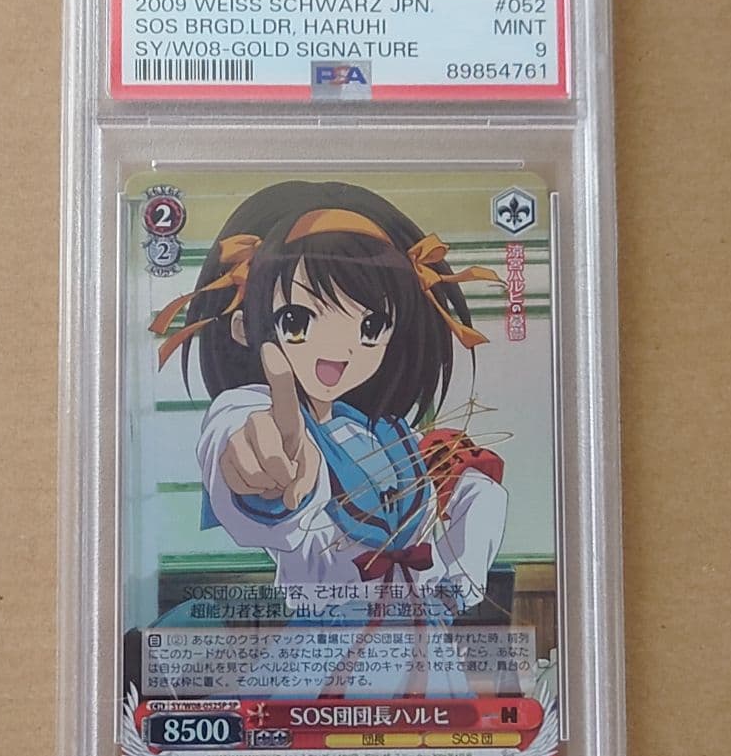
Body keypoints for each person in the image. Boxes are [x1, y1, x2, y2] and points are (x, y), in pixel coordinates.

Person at [151, 181, 508, 697]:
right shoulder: (257, 412)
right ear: (246, 329)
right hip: (328, 655)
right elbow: (250, 448)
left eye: (371, 325)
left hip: (427, 654)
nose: (339, 347)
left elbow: (470, 506)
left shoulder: (391, 433)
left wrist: (454, 578)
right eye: (297, 320)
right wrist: (269, 476)